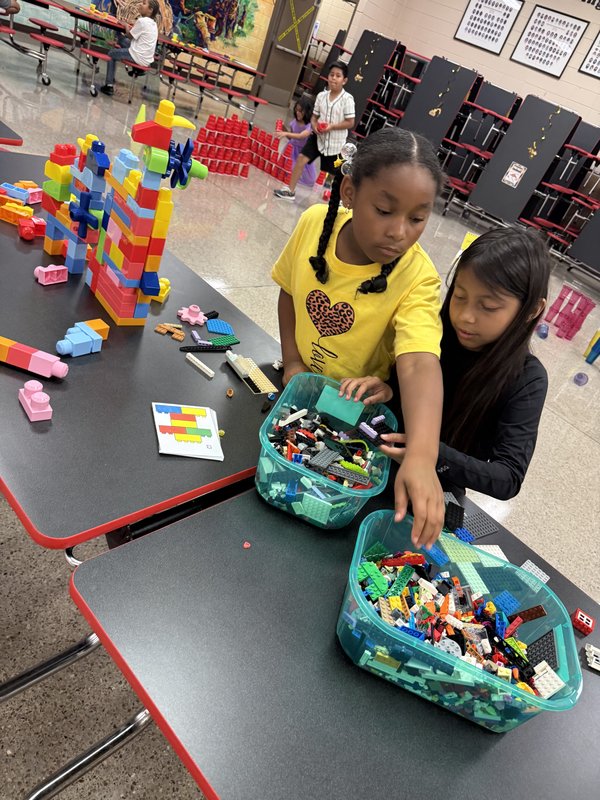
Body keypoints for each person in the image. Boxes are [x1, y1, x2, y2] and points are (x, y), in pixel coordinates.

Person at [272, 127, 446, 548]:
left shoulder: (418, 277)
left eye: (417, 218)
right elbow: (290, 293)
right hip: (293, 396)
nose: (399, 232)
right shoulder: (315, 223)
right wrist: (293, 362)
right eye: (384, 210)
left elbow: (421, 360)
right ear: (349, 192)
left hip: (350, 418)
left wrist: (423, 455)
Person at [341, 228, 550, 501]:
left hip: (434, 489)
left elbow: (507, 478)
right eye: (459, 296)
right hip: (371, 458)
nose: (465, 316)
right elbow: (407, 384)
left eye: (487, 307)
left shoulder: (528, 379)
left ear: (532, 310)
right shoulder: (434, 331)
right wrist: (389, 389)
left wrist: (426, 452)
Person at [273, 61, 355, 201]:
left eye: (338, 76)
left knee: (336, 172)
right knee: (301, 159)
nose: (334, 78)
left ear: (344, 80)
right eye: (331, 75)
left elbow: (350, 122)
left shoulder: (347, 100)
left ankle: (343, 200)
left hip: (335, 143)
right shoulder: (321, 97)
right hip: (317, 138)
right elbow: (314, 117)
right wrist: (315, 125)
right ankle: (290, 191)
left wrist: (332, 127)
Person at [100, 0, 159, 96]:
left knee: (111, 54)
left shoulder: (142, 21)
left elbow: (130, 36)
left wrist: (126, 25)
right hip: (147, 58)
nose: (140, 4)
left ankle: (109, 85)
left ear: (150, 10)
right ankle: (136, 70)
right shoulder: (154, 24)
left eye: (144, 4)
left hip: (137, 56)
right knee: (122, 40)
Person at [274, 98, 317, 188]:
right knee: (286, 170)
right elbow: (292, 138)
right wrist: (283, 130)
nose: (298, 113)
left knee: (309, 179)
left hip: (303, 152)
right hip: (291, 150)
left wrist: (285, 133)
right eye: (296, 110)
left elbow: (301, 136)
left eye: (301, 111)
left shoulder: (309, 125)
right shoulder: (294, 122)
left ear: (307, 112)